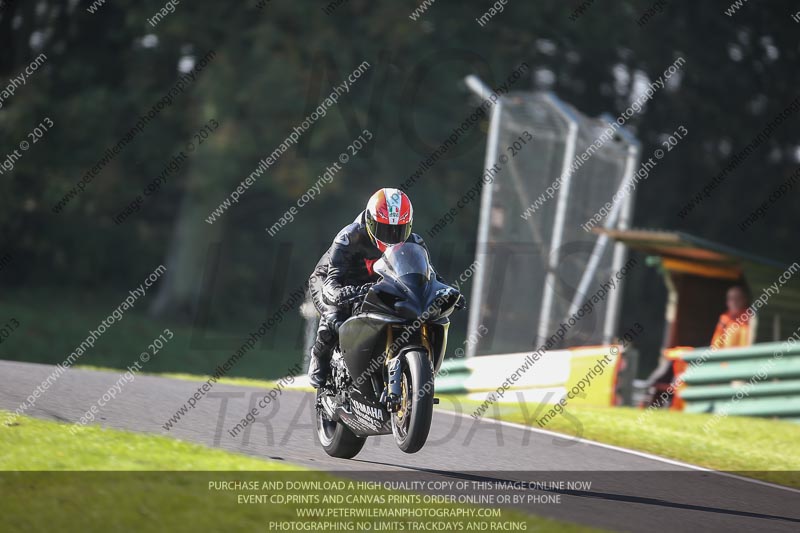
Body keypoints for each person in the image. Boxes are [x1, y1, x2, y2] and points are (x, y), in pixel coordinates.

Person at [306, 188, 454, 388]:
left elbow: (429, 275)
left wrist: (445, 292)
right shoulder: (349, 237)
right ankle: (319, 356)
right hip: (332, 279)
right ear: (370, 221)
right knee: (335, 316)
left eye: (398, 230)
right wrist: (340, 293)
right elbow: (332, 279)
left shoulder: (414, 242)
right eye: (384, 229)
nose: (392, 237)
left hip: (375, 283)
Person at [710, 285, 753, 349]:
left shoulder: (751, 318)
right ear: (727, 302)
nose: (734, 302)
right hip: (726, 354)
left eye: (738, 298)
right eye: (731, 299)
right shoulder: (724, 319)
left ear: (745, 300)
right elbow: (715, 345)